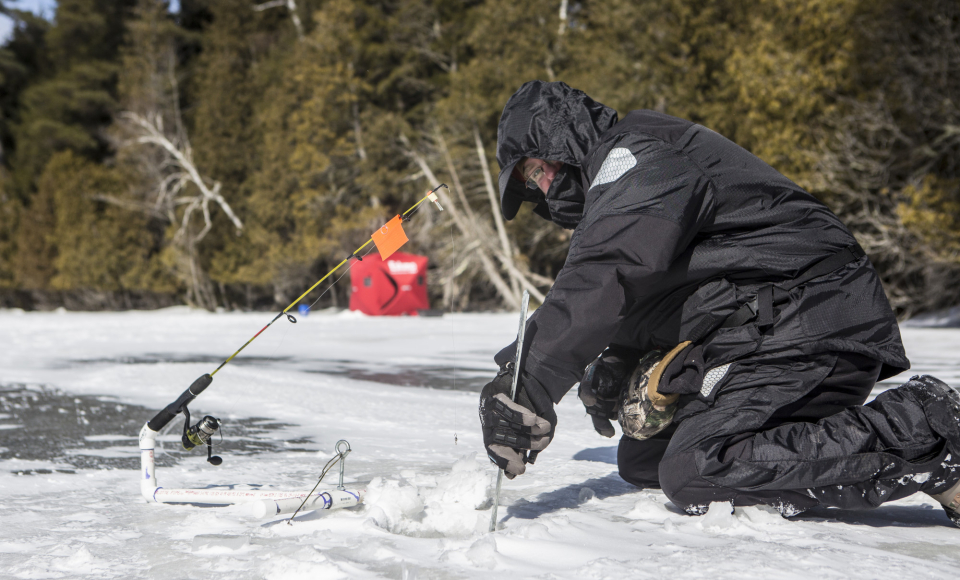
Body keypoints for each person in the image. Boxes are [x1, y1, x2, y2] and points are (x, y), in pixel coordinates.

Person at [478, 80, 960, 524]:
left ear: (563, 142)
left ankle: (923, 430)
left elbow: (608, 271)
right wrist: (620, 358)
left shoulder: (639, 157)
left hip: (810, 319)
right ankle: (841, 437)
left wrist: (527, 380)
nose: (540, 186)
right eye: (530, 180)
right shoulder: (622, 184)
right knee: (646, 459)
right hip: (765, 329)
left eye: (538, 168)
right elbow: (657, 287)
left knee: (698, 468)